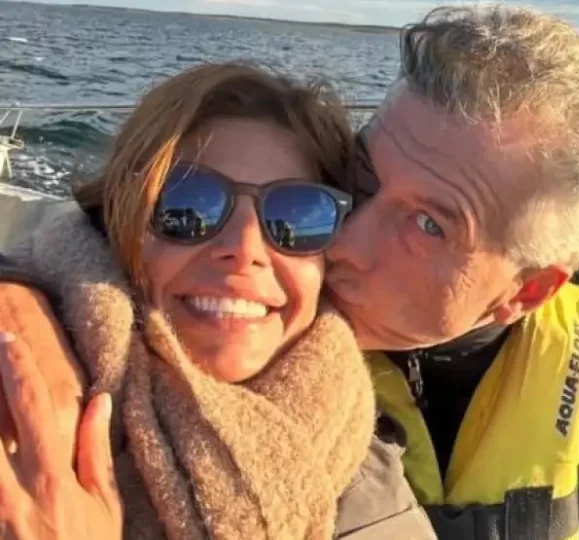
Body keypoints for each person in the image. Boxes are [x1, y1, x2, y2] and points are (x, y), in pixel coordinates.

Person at [0, 4, 579, 539]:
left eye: (430, 224)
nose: (345, 236)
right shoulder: (264, 298)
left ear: (524, 292)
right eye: (361, 177)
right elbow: (112, 237)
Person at [0, 63, 435, 539]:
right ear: (120, 220)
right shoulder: (23, 380)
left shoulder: (373, 500)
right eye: (188, 204)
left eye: (297, 216)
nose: (245, 248)